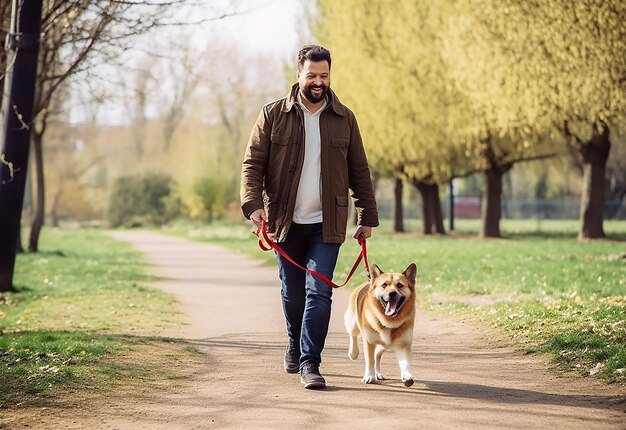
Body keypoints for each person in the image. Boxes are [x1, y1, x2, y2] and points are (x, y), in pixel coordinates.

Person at [240, 45, 379, 389]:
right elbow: (252, 164)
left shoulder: (344, 118)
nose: (319, 82)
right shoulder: (274, 114)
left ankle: (310, 362)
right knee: (293, 293)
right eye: (312, 75)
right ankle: (293, 342)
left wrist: (367, 216)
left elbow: (359, 170)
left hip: (327, 222)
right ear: (299, 75)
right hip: (284, 221)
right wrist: (253, 204)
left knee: (319, 292)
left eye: (324, 76)